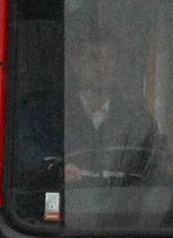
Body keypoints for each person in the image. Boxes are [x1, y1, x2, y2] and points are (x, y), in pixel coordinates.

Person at [62, 32, 160, 185]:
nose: (103, 67)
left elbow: (151, 183)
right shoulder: (52, 117)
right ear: (75, 62)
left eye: (110, 59)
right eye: (94, 58)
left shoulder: (141, 125)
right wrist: (58, 173)